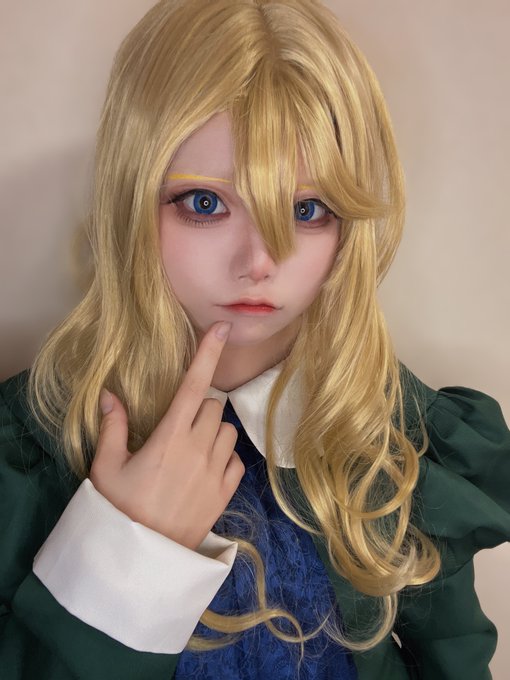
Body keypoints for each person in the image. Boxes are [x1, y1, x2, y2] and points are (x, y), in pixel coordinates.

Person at [1, 0, 509, 678]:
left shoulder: (402, 438)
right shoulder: (26, 454)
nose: (259, 261)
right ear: (131, 195)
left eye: (307, 209)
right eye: (205, 203)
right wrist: (124, 551)